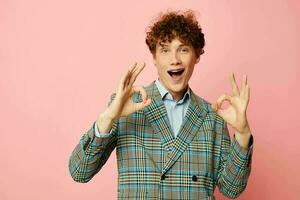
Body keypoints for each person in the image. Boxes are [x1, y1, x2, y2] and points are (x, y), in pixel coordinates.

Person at [68, 10, 254, 199]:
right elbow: (79, 172)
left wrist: (242, 134)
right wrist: (107, 118)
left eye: (183, 49)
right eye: (165, 50)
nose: (174, 59)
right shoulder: (127, 106)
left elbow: (231, 189)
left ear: (196, 56)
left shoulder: (212, 115)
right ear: (154, 58)